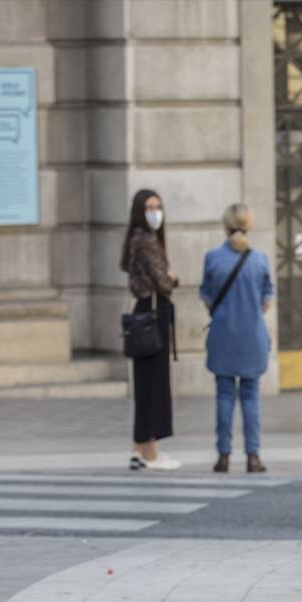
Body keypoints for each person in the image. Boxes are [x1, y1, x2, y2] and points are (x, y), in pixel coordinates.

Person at [200, 203, 275, 473]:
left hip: (223, 335)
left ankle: (223, 455)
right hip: (252, 335)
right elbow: (268, 296)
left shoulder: (213, 258)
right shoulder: (259, 259)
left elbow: (206, 294)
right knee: (251, 397)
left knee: (224, 396)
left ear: (226, 224)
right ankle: (253, 455)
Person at [120, 189, 181, 471]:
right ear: (139, 211)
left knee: (145, 385)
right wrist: (172, 278)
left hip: (145, 313)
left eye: (158, 206)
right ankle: (150, 453)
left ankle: (140, 447)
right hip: (152, 314)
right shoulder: (146, 242)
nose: (155, 212)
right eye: (149, 207)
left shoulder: (136, 239)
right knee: (154, 385)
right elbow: (162, 282)